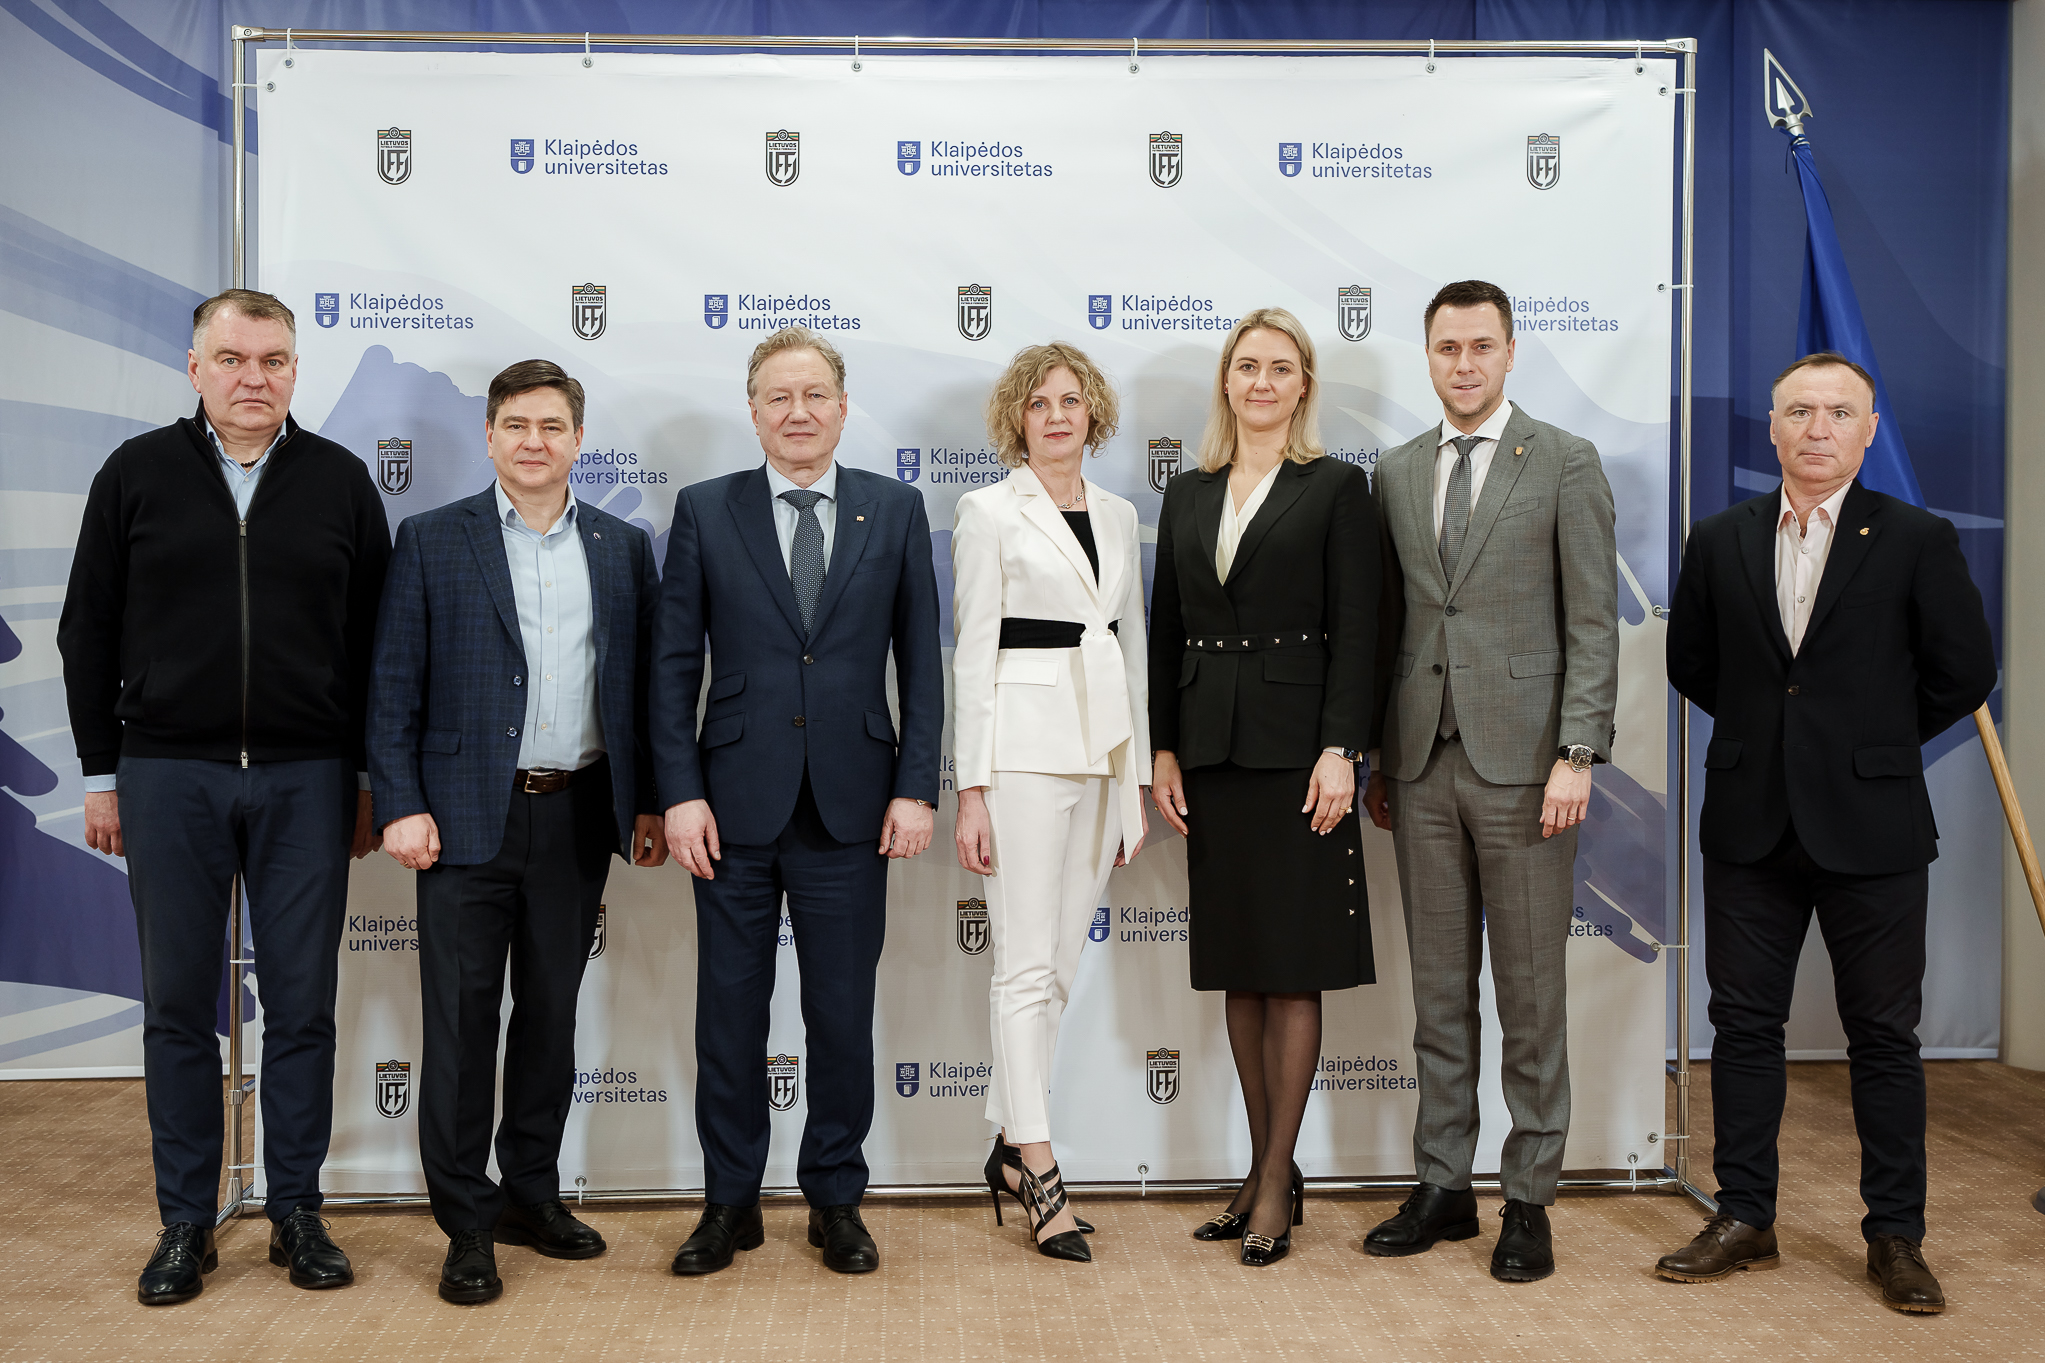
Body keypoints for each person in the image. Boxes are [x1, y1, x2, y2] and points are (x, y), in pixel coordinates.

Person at [57, 289, 389, 1305]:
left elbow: (376, 646)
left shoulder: (339, 481)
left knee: (302, 1004)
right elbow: (87, 628)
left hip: (307, 777)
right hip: (167, 775)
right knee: (175, 1006)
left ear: (294, 370)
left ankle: (295, 1210)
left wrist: (366, 777)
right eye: (234, 359)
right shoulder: (135, 473)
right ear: (195, 367)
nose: (254, 377)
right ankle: (186, 1223)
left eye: (274, 360)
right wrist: (103, 773)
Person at [1655, 352, 1994, 1313]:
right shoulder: (1718, 538)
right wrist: (1779, 740)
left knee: (1882, 1035)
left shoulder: (1916, 537)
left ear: (1868, 430)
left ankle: (1895, 1234)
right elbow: (1692, 663)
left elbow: (1964, 670)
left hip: (1873, 823)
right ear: (1771, 427)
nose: (1816, 427)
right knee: (1741, 1026)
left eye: (1838, 412)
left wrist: (1866, 744)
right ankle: (1743, 1214)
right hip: (1749, 820)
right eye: (1798, 410)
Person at [368, 359, 666, 1304]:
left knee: (549, 1015)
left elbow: (644, 691)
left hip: (577, 811)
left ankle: (530, 1191)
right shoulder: (431, 538)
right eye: (515, 425)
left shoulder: (622, 547)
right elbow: (391, 686)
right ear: (490, 435)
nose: (533, 441)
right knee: (461, 1026)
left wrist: (649, 801)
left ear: (578, 439)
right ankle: (467, 1221)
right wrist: (400, 802)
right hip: (461, 818)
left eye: (551, 425)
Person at [653, 326, 943, 1277]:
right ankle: (728, 1202)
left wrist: (915, 787)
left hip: (854, 805)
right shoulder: (705, 509)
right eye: (778, 396)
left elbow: (922, 665)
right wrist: (680, 793)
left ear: (843, 407)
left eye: (814, 394)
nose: (798, 411)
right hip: (729, 809)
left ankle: (835, 1198)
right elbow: (672, 668)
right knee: (728, 1017)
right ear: (753, 412)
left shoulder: (894, 509)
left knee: (841, 1016)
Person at [1360, 278, 1618, 1283]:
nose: (1462, 363)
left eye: (1479, 346)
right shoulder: (1394, 471)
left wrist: (1577, 753)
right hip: (1420, 763)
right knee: (1437, 994)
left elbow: (1590, 619)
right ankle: (1442, 1183)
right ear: (1426, 356)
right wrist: (1378, 754)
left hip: (1528, 769)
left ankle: (1528, 1197)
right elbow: (1390, 622)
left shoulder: (1563, 460)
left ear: (1509, 353)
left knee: (1530, 995)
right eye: (1445, 347)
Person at [1147, 308, 1379, 1269]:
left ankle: (1277, 1178)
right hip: (1211, 754)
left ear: (1303, 384)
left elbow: (1359, 629)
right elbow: (1164, 628)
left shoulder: (1336, 487)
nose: (1261, 382)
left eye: (1281, 368)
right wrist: (1164, 747)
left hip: (1297, 758)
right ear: (1226, 380)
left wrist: (1341, 748)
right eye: (1247, 365)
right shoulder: (1188, 491)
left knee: (1290, 967)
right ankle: (1261, 1167)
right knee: (1240, 968)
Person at [951, 342, 1150, 1263]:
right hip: (1022, 758)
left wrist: (1134, 777)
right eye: (1039, 403)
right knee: (1023, 967)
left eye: (1071, 400)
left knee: (1060, 965)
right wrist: (972, 788)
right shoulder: (987, 510)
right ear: (1016, 420)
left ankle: (1005, 1140)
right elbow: (972, 655)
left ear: (1092, 413)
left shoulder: (1118, 513)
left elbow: (1130, 647)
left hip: (1102, 756)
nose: (1057, 415)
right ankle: (1039, 1163)